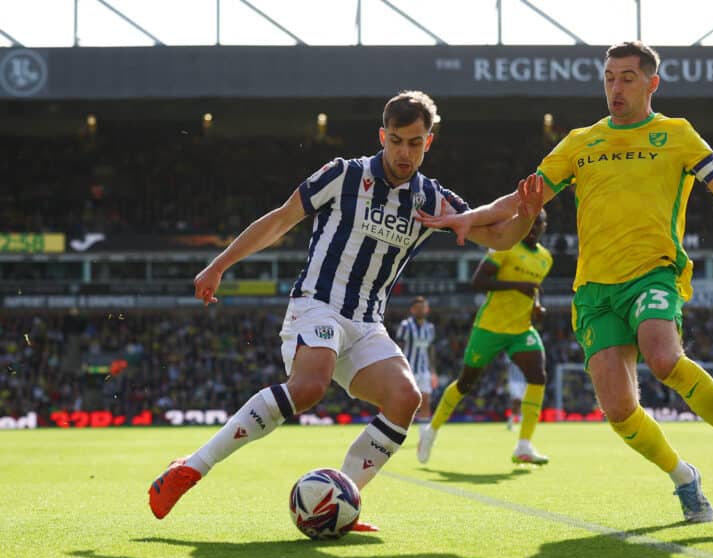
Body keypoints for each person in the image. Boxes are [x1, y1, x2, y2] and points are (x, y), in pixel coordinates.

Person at [419, 42, 713, 523]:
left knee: (664, 358)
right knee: (620, 411)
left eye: (626, 77)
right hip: (595, 292)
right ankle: (684, 477)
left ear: (651, 83)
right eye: (608, 78)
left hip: (653, 272)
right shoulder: (581, 142)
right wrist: (465, 219)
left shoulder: (677, 134)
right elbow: (521, 199)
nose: (615, 88)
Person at [147, 91, 544, 527]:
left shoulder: (432, 199)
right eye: (396, 140)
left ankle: (340, 501)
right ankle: (191, 467)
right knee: (309, 387)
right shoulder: (343, 175)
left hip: (367, 323)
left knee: (404, 398)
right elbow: (281, 219)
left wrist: (526, 214)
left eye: (414, 143)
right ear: (382, 135)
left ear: (428, 142)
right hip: (317, 306)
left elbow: (501, 237)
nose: (404, 152)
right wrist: (219, 264)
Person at [418, 211, 553, 465]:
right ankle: (431, 430)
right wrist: (516, 285)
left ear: (545, 227)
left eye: (538, 224)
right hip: (490, 327)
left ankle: (523, 445)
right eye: (529, 223)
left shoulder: (545, 259)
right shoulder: (505, 247)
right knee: (465, 384)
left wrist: (537, 306)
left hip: (521, 330)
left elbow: (533, 289)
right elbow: (479, 281)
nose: (533, 228)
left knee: (538, 376)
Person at [395, 296, 437, 420]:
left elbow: (430, 349)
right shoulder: (405, 326)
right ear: (412, 310)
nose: (421, 310)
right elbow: (398, 347)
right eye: (418, 308)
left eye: (423, 308)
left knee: (425, 402)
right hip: (407, 370)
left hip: (424, 370)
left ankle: (424, 438)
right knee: (404, 402)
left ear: (427, 309)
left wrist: (433, 371)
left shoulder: (430, 328)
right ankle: (397, 434)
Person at [505, 359, 527, 430]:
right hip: (514, 382)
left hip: (523, 382)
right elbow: (506, 364)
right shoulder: (510, 354)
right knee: (517, 401)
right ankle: (518, 420)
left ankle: (511, 422)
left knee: (521, 402)